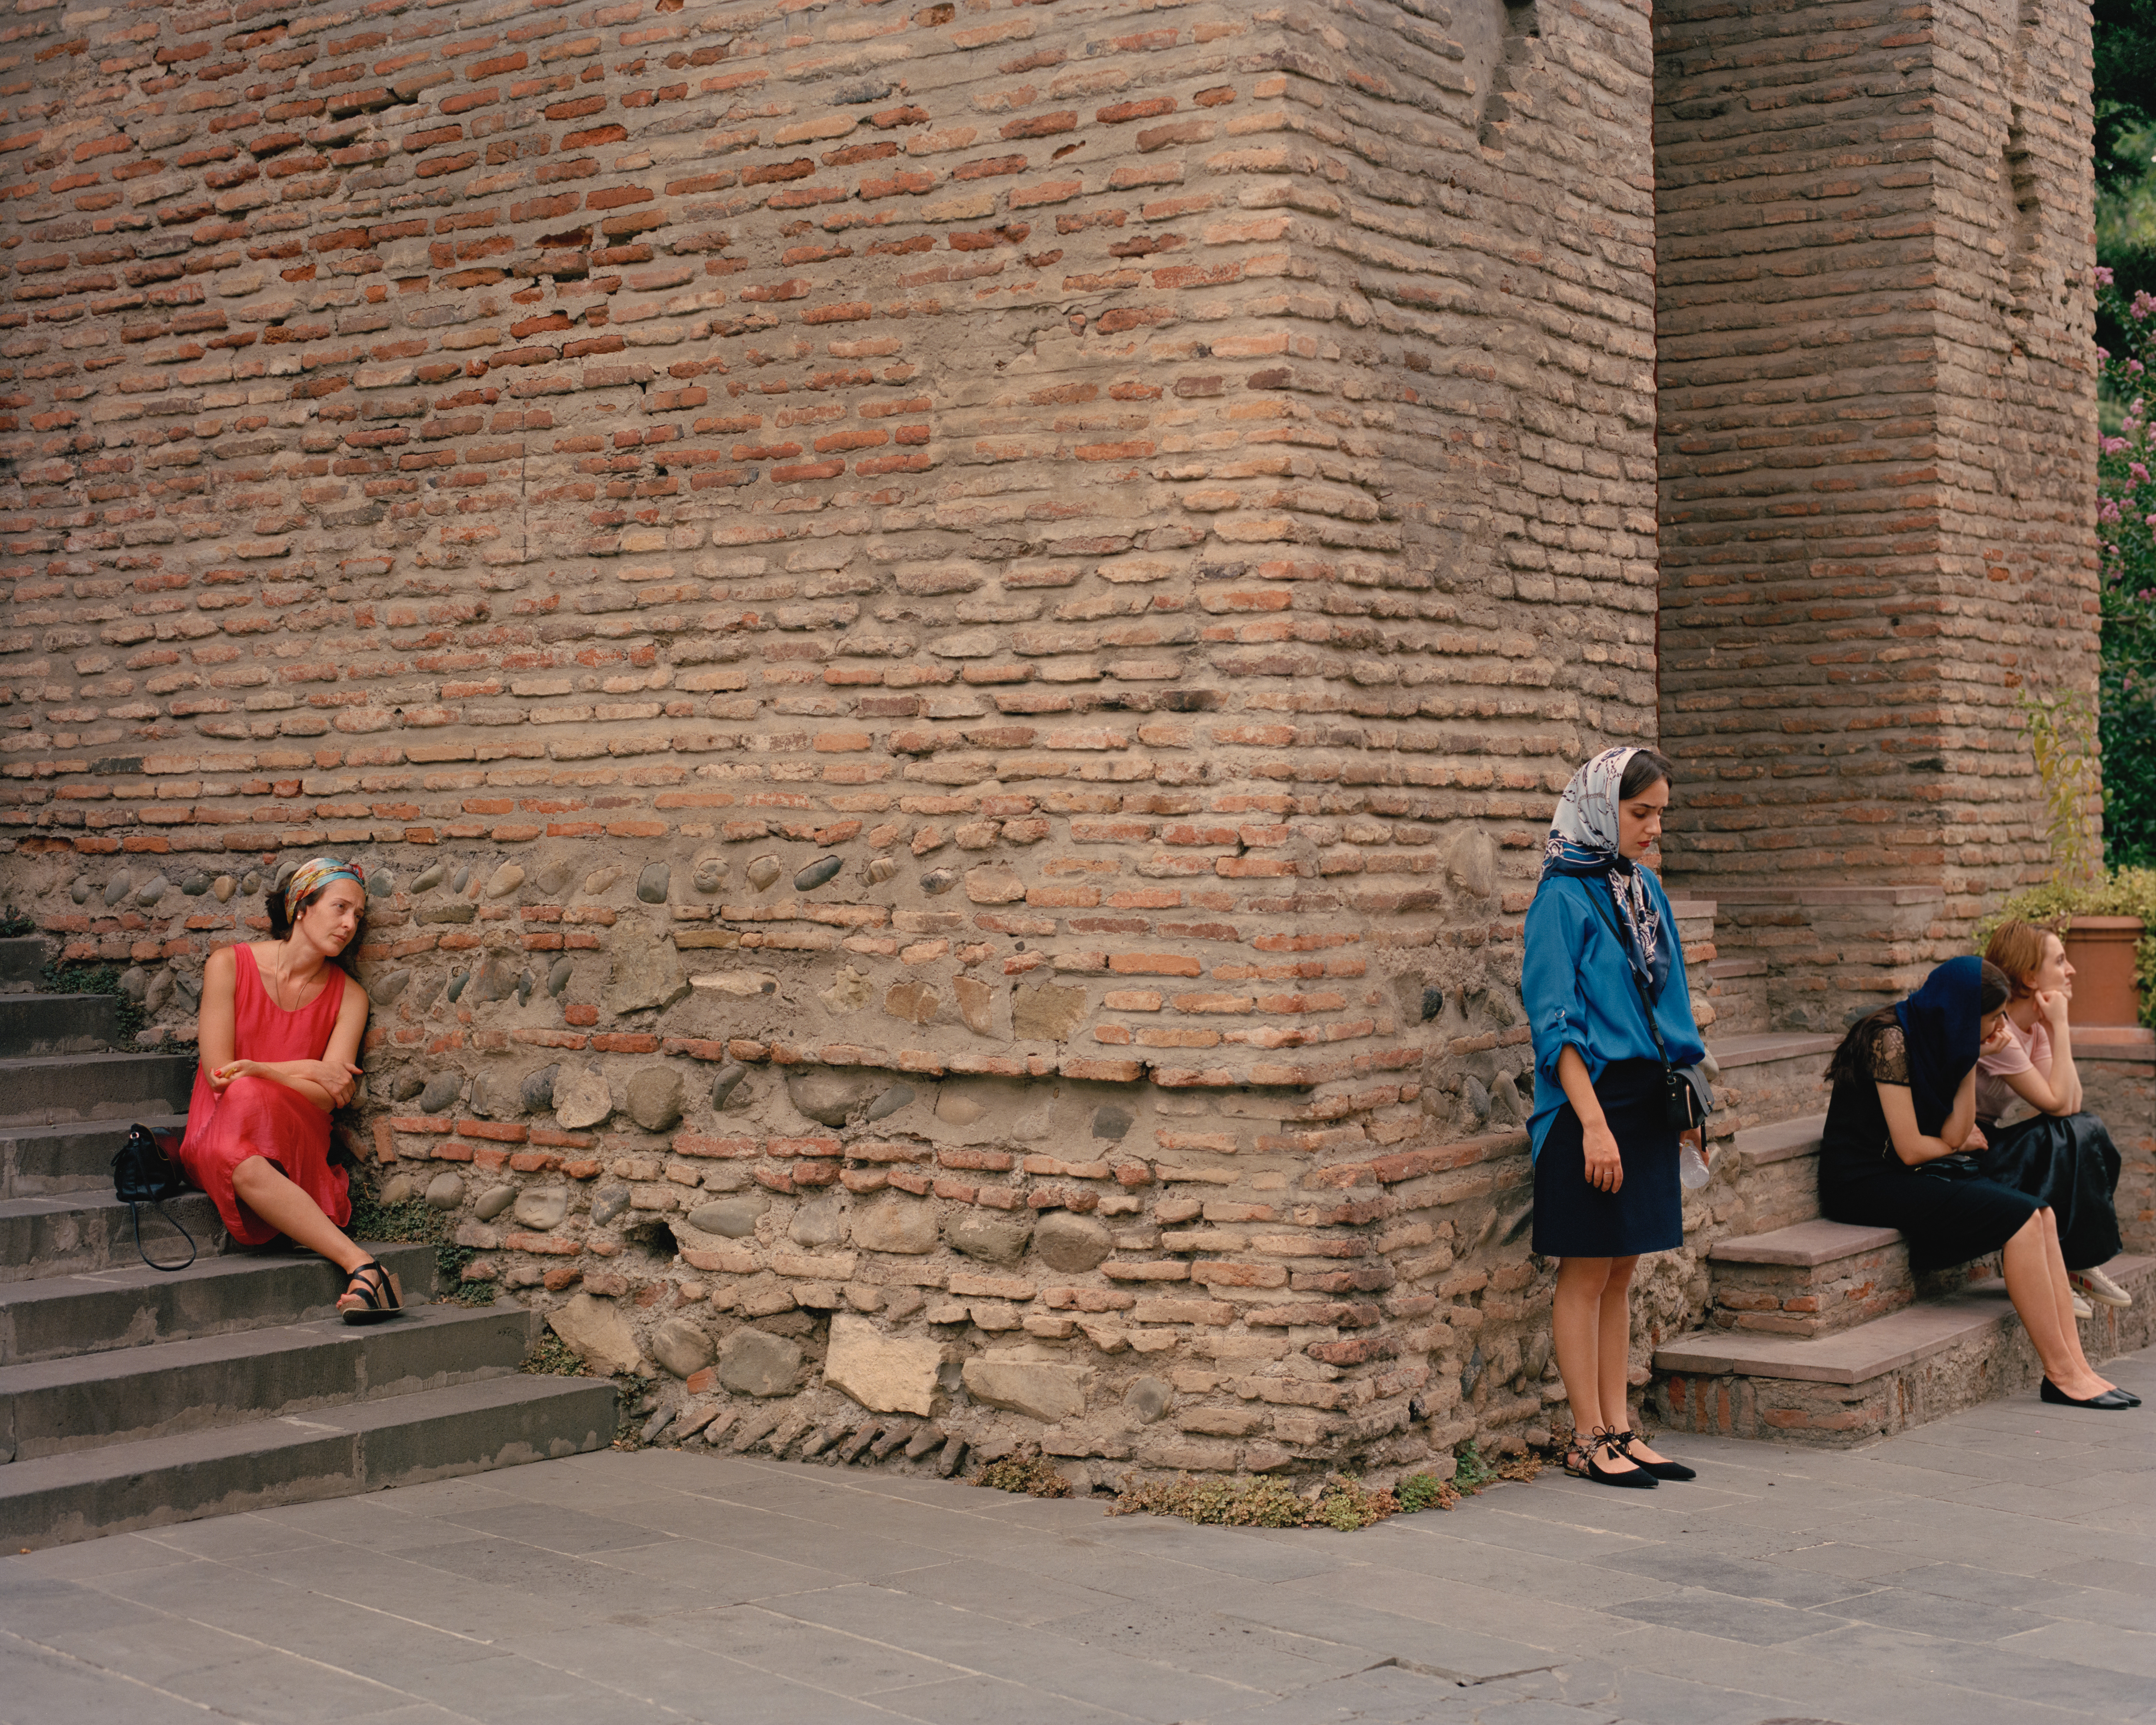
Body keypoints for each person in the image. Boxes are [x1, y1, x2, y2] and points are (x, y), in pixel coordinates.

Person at [1818, 957, 2135, 1409]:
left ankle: (2078, 1368)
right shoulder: (1889, 1039)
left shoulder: (1944, 1040)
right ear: (1965, 1014)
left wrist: (1971, 1058)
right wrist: (1953, 1145)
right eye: (1992, 1018)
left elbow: (1951, 1134)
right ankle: (2061, 1374)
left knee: (2041, 1213)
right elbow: (1912, 1148)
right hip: (1863, 1182)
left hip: (1907, 1171)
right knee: (2022, 1218)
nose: (2000, 1026)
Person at [1524, 746, 1711, 1487]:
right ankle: (1585, 1435)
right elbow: (1553, 1025)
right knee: (1584, 1269)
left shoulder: (1641, 891)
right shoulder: (1559, 901)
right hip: (1585, 1106)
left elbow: (1674, 1002)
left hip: (1645, 1100)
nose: (1653, 827)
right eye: (1641, 813)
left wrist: (1690, 1102)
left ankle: (1619, 1426)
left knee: (1622, 1269)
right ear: (1604, 807)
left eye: (1660, 813)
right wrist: (1593, 1125)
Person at [176, 858, 403, 1322]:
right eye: (340, 908)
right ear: (302, 907)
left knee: (246, 1102)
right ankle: (362, 1265)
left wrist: (266, 1071)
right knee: (238, 1104)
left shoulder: (350, 997)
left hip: (297, 1132)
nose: (349, 925)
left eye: (358, 916)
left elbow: (330, 1096)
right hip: (219, 1124)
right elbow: (222, 1075)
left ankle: (365, 1270)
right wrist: (306, 1068)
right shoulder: (228, 966)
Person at [1977, 919, 2131, 1314]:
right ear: (2030, 975)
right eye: (2060, 960)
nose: (2072, 969)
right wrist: (2061, 1023)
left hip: (1989, 1143)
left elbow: (2072, 1104)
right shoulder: (2002, 1030)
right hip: (1963, 1152)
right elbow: (2058, 1105)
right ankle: (2066, 1263)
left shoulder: (2034, 1029)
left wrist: (2055, 1029)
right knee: (2068, 1131)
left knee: (2082, 1128)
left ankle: (2075, 1263)